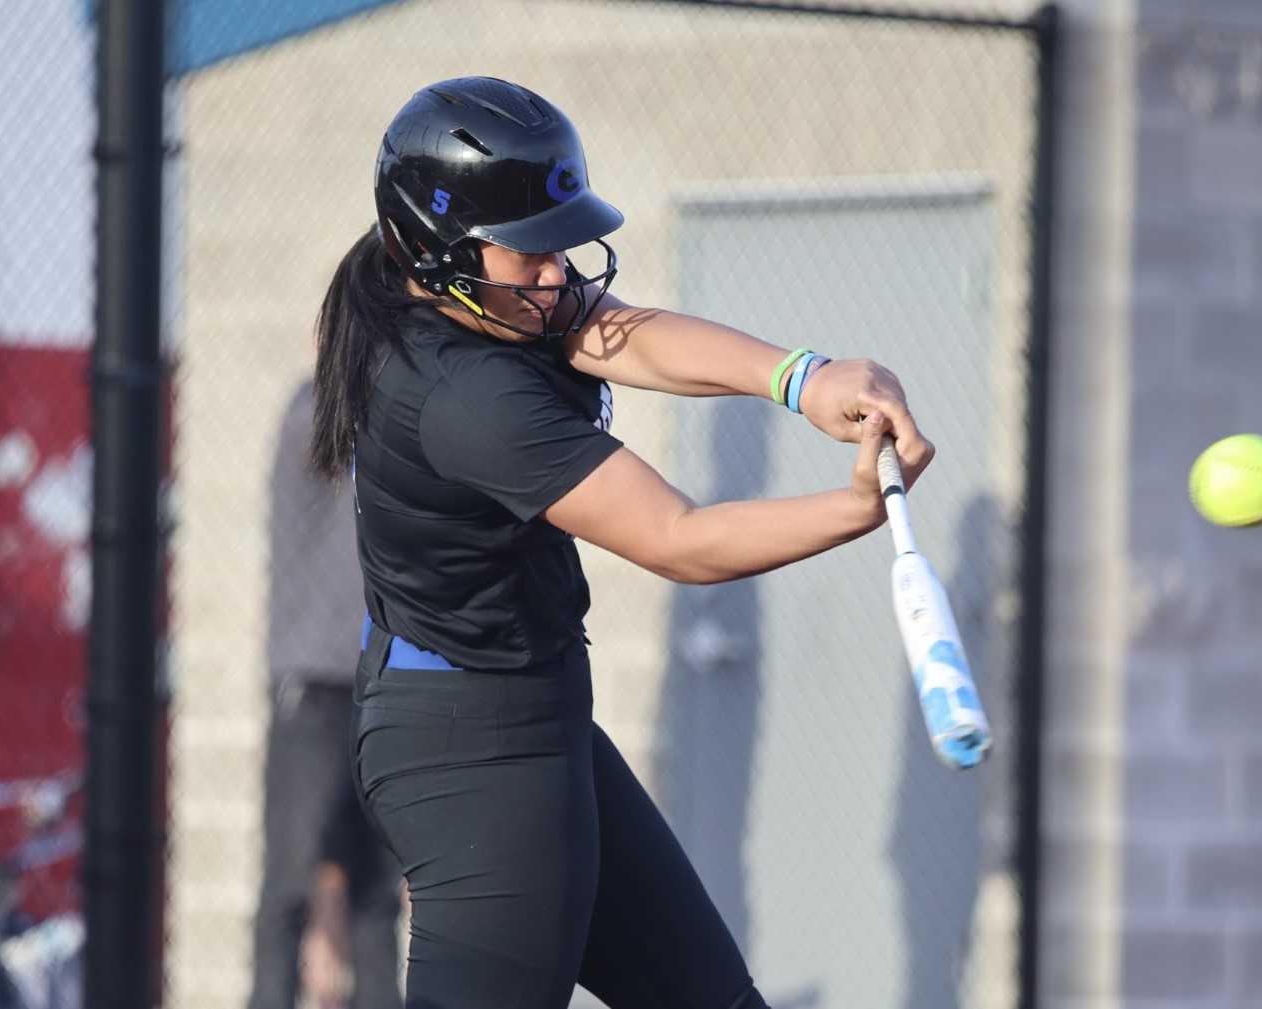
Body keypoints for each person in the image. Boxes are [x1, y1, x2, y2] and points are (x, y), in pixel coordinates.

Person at [309, 76, 934, 1009]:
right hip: (473, 758)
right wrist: (853, 511)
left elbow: (612, 335)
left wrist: (798, 379)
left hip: (532, 720)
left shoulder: (427, 281)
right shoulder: (467, 397)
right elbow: (676, 537)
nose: (558, 273)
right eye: (528, 255)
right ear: (439, 252)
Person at [248, 379, 403, 1009]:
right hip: (312, 691)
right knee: (289, 886)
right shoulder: (310, 414)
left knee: (375, 894)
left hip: (383, 685)